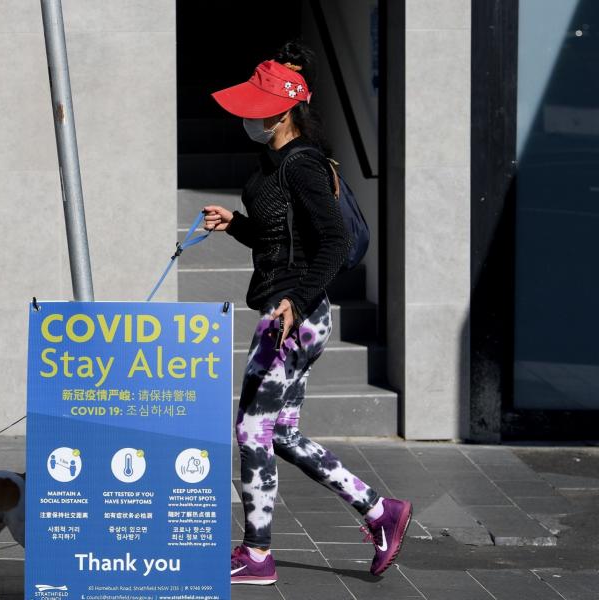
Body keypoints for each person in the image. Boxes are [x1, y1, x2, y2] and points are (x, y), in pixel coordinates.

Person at [203, 41, 413, 585]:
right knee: (282, 435)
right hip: (296, 310)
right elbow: (284, 238)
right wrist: (238, 223)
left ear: (282, 111)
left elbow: (332, 239)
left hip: (292, 314)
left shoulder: (302, 167)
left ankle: (256, 553)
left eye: (255, 108)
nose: (246, 118)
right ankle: (380, 511)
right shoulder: (278, 163)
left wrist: (295, 300)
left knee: (252, 430)